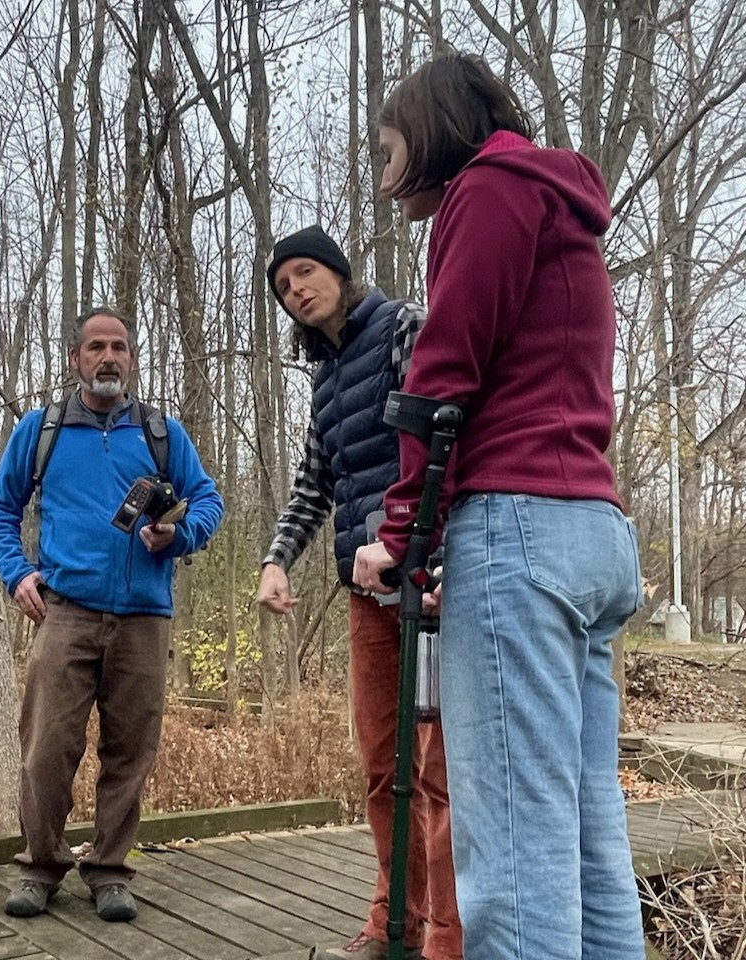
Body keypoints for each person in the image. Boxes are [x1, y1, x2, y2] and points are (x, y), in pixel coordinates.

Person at [354, 53, 644, 960]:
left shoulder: (487, 191)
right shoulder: (558, 203)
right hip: (592, 530)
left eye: (389, 150)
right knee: (586, 834)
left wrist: (402, 534)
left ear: (430, 130)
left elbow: (443, 376)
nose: (385, 175)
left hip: (520, 530)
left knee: (514, 857)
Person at [258, 226, 461, 960]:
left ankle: (449, 934)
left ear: (339, 271)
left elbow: (447, 439)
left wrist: (434, 555)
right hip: (365, 591)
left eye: (305, 272)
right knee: (382, 764)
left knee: (438, 768)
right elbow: (315, 484)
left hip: (429, 582)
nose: (296, 290)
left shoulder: (404, 326)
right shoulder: (325, 378)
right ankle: (393, 919)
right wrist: (277, 560)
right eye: (283, 287)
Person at [0, 308, 223, 923]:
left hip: (145, 618)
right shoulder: (43, 430)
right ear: (75, 358)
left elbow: (208, 501)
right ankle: (40, 866)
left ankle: (110, 871)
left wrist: (178, 535)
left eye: (119, 346)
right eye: (96, 347)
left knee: (130, 752)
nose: (108, 357)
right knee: (45, 749)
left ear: (133, 358)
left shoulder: (162, 433)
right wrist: (18, 573)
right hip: (64, 611)